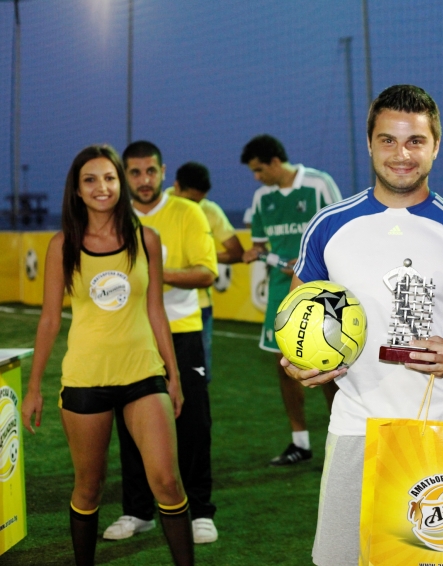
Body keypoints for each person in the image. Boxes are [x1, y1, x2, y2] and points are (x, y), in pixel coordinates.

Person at [280, 84, 443, 566]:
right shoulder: (329, 225)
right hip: (356, 424)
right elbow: (297, 316)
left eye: (415, 141)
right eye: (388, 140)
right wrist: (298, 363)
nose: (402, 154)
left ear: (436, 146)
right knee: (339, 559)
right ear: (370, 144)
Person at [20, 145, 194, 566]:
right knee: (89, 487)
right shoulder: (63, 245)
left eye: (110, 178)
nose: (102, 187)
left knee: (168, 482)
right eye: (91, 180)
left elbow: (156, 310)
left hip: (143, 374)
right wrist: (34, 387)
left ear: (120, 183)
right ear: (77, 190)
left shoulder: (145, 239)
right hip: (86, 380)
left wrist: (173, 375)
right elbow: (49, 319)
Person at [103, 141, 220, 544]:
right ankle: (138, 512)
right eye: (135, 172)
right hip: (131, 336)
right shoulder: (113, 216)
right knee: (131, 425)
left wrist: (152, 272)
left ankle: (199, 511)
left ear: (163, 172)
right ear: (124, 176)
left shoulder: (187, 212)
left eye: (150, 171)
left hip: (183, 331)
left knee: (193, 423)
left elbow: (206, 272)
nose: (144, 180)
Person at [240, 134, 342, 466]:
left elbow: (341, 231)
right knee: (284, 366)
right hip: (280, 292)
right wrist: (257, 253)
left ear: (274, 162)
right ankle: (299, 442)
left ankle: (340, 438)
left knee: (328, 365)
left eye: (259, 170)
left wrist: (312, 262)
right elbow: (259, 245)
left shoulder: (318, 184)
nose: (257, 177)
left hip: (320, 289)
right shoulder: (262, 198)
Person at [170, 161, 245, 382]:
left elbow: (237, 253)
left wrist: (203, 260)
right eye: (191, 200)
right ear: (176, 186)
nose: (195, 207)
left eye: (199, 201)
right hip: (158, 303)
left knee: (197, 375)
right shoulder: (158, 206)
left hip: (198, 306)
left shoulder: (210, 211)